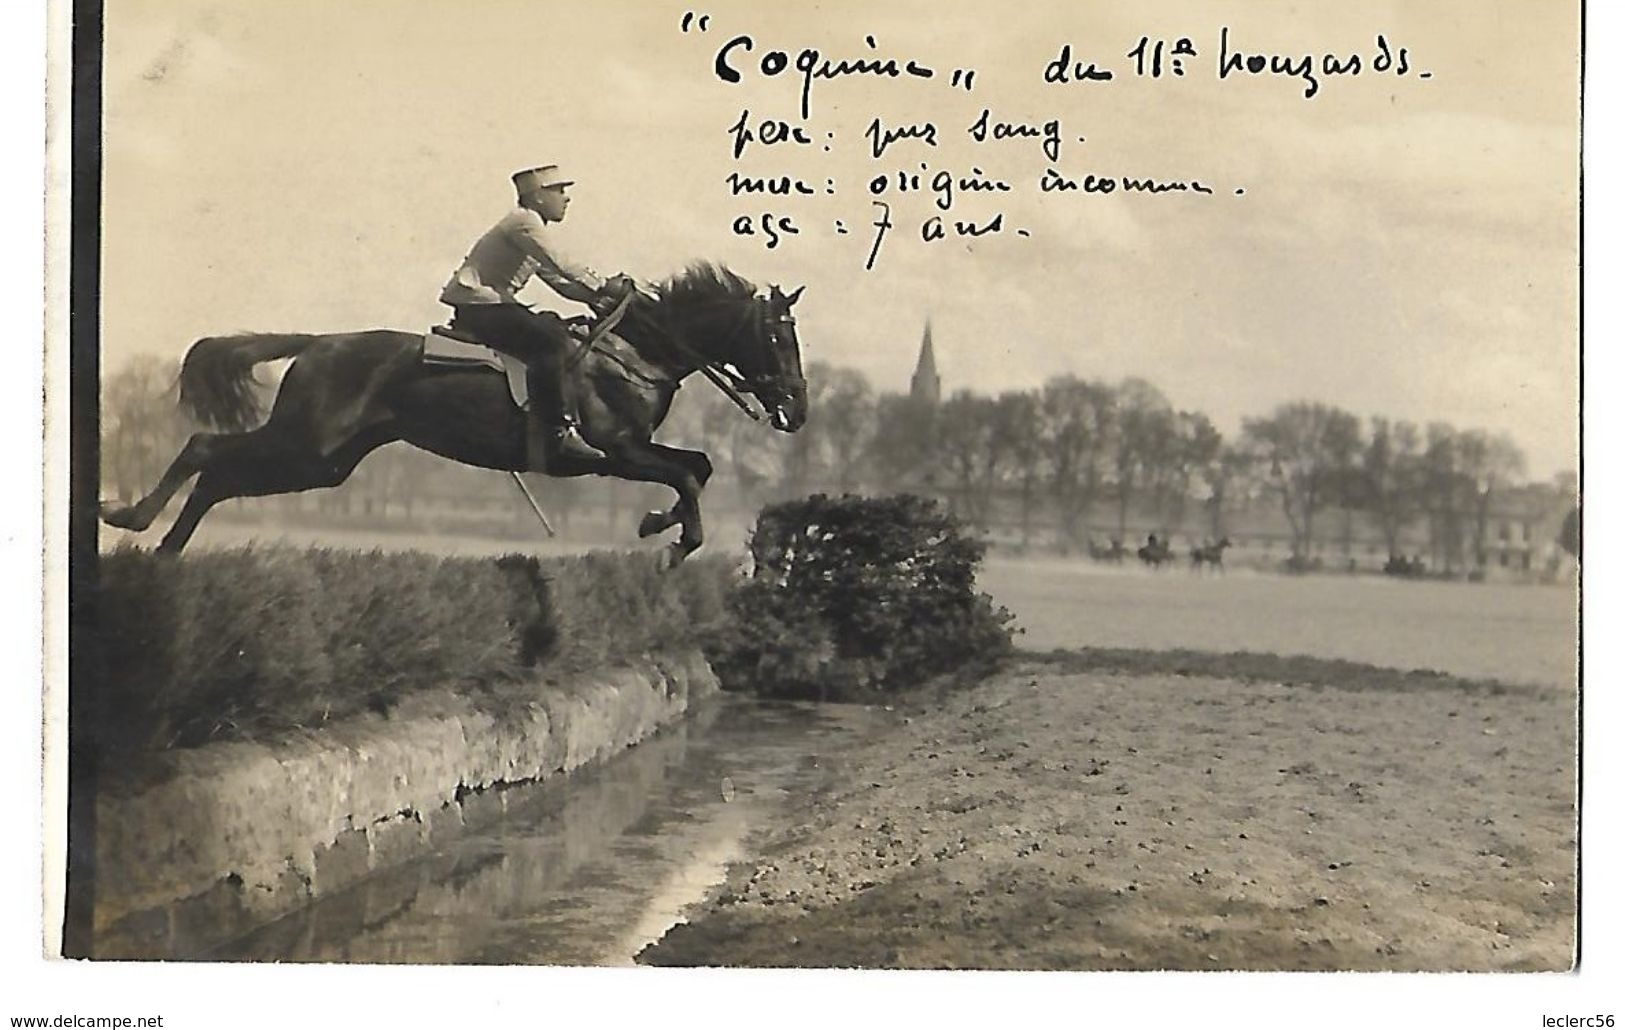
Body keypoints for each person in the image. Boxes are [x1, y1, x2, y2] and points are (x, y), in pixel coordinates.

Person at [440, 164, 637, 468]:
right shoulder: (524, 222)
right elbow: (560, 263)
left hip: (490, 304)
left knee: (554, 330)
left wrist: (598, 298)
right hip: (481, 306)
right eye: (559, 191)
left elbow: (560, 283)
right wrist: (603, 284)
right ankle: (557, 432)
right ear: (538, 197)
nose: (566, 198)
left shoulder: (530, 228)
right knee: (552, 340)